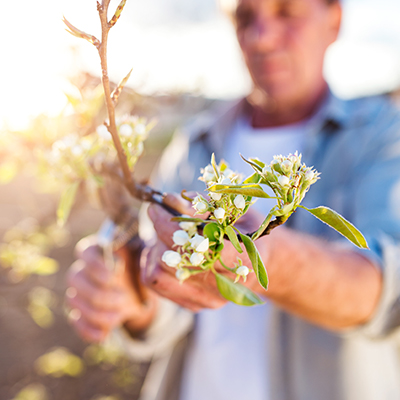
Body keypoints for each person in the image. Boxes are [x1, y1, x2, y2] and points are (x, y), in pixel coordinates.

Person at [66, 0, 400, 399]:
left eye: (287, 12)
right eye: (245, 18)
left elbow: (385, 291)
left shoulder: (383, 132)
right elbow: (163, 285)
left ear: (334, 19)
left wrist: (259, 258)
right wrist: (128, 296)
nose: (261, 37)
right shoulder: (197, 141)